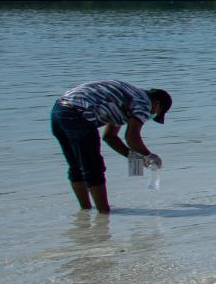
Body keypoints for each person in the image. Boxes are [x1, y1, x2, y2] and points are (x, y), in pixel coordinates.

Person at [50, 80, 172, 212]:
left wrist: (134, 157)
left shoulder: (127, 98)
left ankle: (85, 211)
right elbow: (132, 137)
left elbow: (110, 137)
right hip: (78, 115)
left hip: (59, 111)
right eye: (156, 114)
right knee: (94, 168)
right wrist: (149, 155)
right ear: (156, 104)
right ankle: (104, 212)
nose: (150, 116)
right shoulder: (144, 102)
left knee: (77, 167)